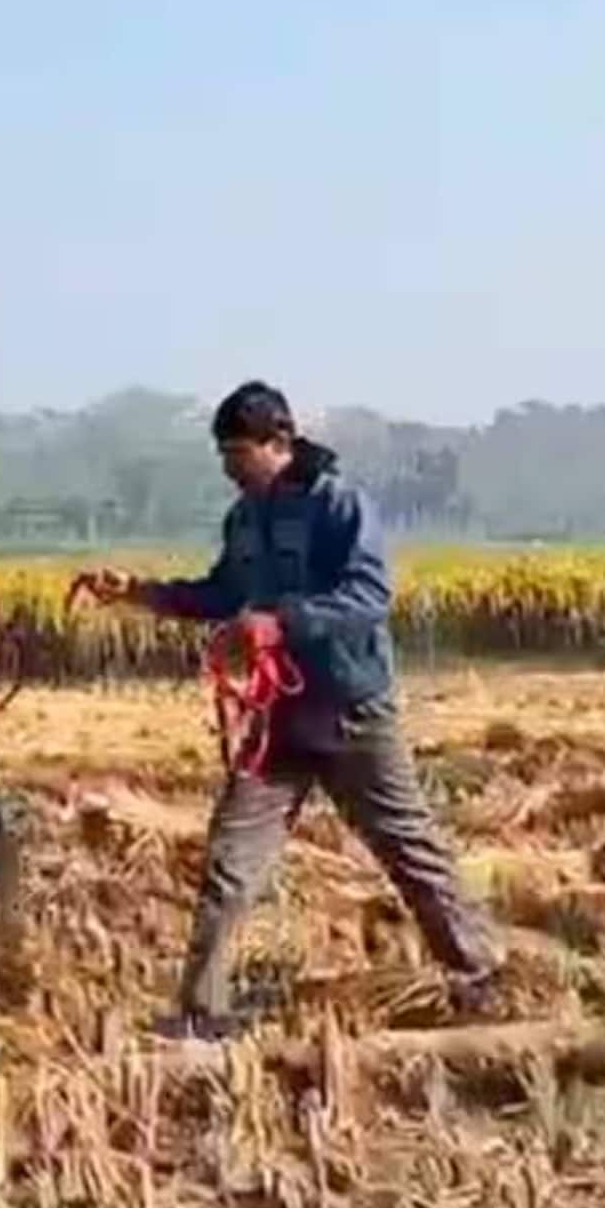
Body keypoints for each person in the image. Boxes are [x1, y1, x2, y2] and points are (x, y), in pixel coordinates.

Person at [76, 380, 504, 1038]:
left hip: (352, 712)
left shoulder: (340, 506)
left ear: (280, 442)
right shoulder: (244, 519)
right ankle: (200, 1013)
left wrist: (279, 624)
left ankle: (481, 979)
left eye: (239, 454)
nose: (230, 469)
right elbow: (222, 593)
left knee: (407, 848)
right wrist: (134, 592)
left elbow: (367, 597)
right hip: (277, 719)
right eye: (224, 457)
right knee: (229, 857)